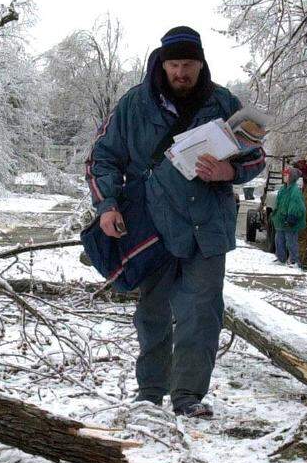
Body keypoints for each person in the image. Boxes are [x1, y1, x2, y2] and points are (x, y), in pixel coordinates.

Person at [85, 26, 266, 418]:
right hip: (154, 225)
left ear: (201, 64)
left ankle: (188, 396)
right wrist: (108, 206)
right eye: (174, 64)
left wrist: (227, 172)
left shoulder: (223, 103)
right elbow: (101, 157)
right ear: (162, 64)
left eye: (189, 64)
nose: (181, 72)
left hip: (208, 226)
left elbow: (256, 158)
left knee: (202, 314)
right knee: (153, 313)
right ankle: (150, 392)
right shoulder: (134, 105)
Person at [271, 167, 306, 265]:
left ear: (292, 177)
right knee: (279, 240)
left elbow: (296, 205)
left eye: (286, 175)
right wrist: (275, 214)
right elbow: (279, 203)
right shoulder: (283, 189)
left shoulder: (295, 191)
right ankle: (280, 259)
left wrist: (292, 217)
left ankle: (294, 261)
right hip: (281, 221)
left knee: (291, 242)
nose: (284, 176)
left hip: (290, 221)